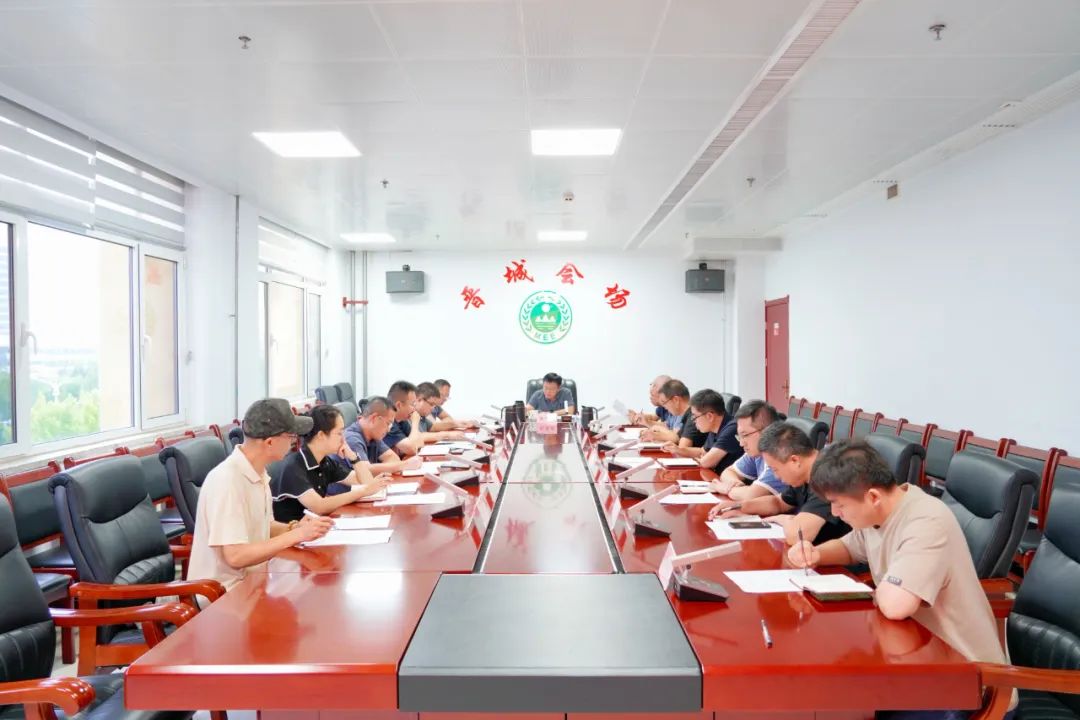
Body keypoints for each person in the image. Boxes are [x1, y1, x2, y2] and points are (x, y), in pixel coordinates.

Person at [786, 440, 1014, 720]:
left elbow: (896, 605)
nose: (834, 513)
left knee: (836, 703)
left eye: (838, 504)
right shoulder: (880, 512)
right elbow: (851, 547)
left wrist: (880, 586)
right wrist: (815, 554)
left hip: (967, 686)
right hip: (914, 662)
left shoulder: (926, 521)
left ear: (873, 496)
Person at [187, 398, 334, 593]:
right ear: (270, 442)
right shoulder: (227, 481)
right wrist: (297, 535)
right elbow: (236, 556)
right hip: (223, 593)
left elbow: (264, 526)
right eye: (291, 436)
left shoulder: (259, 472)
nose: (294, 443)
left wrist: (294, 527)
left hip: (255, 582)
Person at [708, 422, 850, 545]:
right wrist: (741, 507)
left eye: (775, 469)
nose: (776, 476)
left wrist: (782, 519)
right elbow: (778, 502)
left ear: (794, 460)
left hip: (837, 563)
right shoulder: (803, 474)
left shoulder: (827, 477)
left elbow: (798, 535)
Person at [270, 404, 391, 523]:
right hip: (292, 532)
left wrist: (353, 457)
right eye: (339, 433)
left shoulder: (325, 462)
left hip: (312, 528)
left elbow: (366, 482)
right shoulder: (293, 466)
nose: (343, 439)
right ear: (321, 435)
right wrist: (363, 491)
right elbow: (319, 506)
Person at [709, 400, 787, 500]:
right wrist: (737, 486)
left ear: (766, 431)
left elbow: (751, 496)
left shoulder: (779, 455)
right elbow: (728, 471)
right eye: (739, 436)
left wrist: (726, 489)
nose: (741, 443)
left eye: (745, 435)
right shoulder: (757, 452)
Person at [341, 395, 422, 476]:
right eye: (388, 423)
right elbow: (364, 470)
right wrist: (404, 465)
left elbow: (393, 458)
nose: (388, 430)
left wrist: (381, 470)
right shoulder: (352, 438)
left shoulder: (373, 435)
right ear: (374, 418)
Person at [665, 388, 743, 472]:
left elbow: (706, 462)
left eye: (695, 416)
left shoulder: (732, 429)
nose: (693, 421)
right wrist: (678, 449)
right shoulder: (715, 427)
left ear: (710, 416)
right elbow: (702, 451)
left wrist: (703, 458)